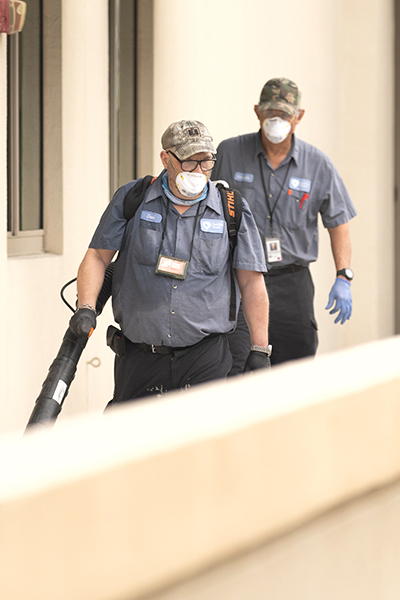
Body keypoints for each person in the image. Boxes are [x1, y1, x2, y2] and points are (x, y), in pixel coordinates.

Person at [69, 120, 271, 405]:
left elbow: (251, 282)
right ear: (166, 158)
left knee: (199, 442)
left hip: (205, 355)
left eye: (206, 162)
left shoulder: (231, 209)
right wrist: (86, 308)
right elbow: (98, 257)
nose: (199, 171)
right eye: (189, 162)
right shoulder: (133, 199)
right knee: (136, 443)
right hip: (140, 357)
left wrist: (260, 349)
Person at [212, 78, 357, 371]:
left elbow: (337, 222)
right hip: (241, 279)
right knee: (240, 365)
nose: (276, 120)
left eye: (284, 114)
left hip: (292, 282)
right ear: (257, 112)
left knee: (296, 367)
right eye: (270, 113)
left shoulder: (317, 164)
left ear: (299, 116)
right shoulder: (230, 153)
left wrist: (343, 276)